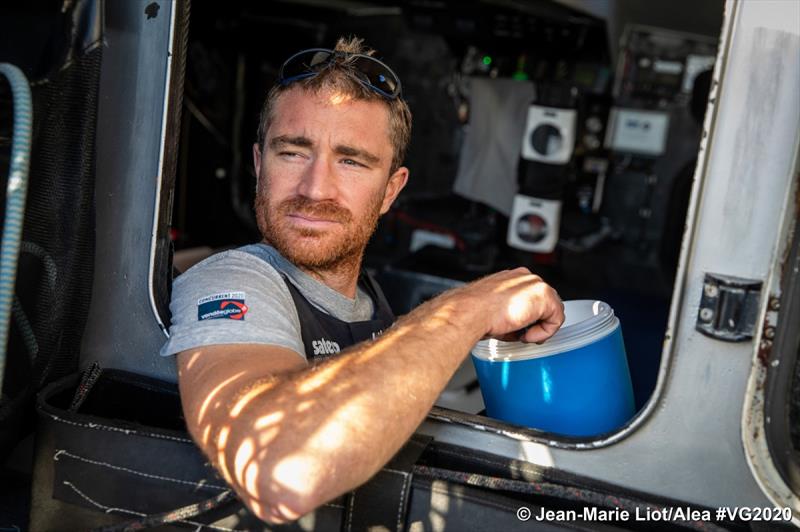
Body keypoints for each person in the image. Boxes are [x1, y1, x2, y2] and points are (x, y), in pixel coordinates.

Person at [161, 36, 565, 524]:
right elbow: (277, 471)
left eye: (351, 161)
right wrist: (465, 309)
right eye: (292, 152)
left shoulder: (369, 300)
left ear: (391, 190)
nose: (315, 189)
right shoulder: (232, 279)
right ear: (258, 164)